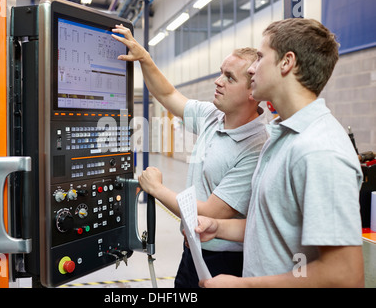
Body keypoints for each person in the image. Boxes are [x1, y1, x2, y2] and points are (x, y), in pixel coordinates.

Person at [196, 18, 365, 288]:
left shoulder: (319, 150)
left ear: (286, 62)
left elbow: (344, 274)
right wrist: (220, 228)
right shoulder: (282, 136)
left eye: (260, 57)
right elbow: (277, 225)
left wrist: (244, 285)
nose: (251, 68)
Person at [112, 25, 269, 288]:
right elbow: (167, 94)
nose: (218, 81)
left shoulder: (255, 146)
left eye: (229, 78)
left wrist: (157, 189)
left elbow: (209, 212)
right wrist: (144, 59)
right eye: (220, 72)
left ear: (253, 91)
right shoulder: (213, 116)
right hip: (194, 249)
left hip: (224, 259)